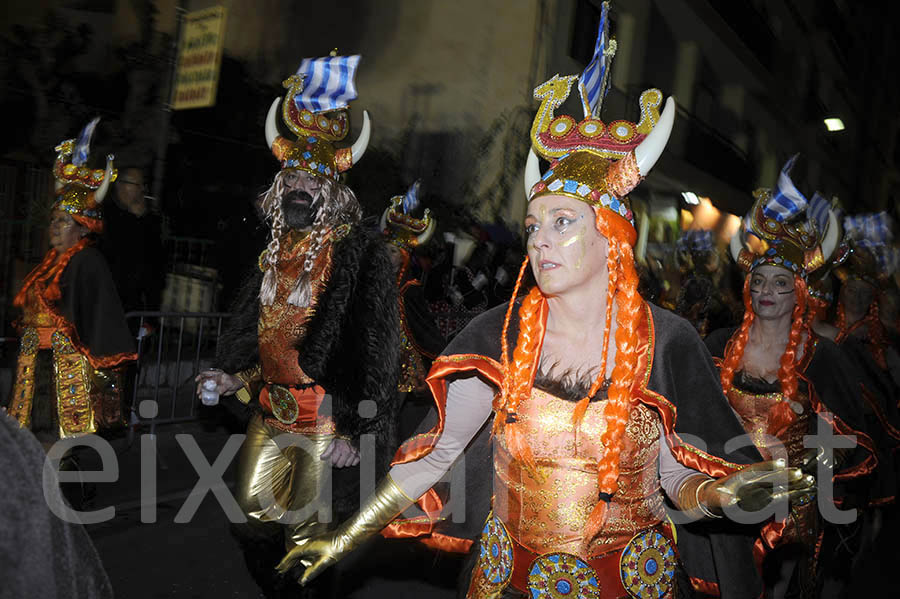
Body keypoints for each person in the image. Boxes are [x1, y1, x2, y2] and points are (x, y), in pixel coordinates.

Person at [276, 36, 814, 598]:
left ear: (612, 239)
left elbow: (674, 476)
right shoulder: (497, 335)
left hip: (630, 585)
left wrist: (721, 497)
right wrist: (343, 537)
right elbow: (433, 457)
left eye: (562, 222)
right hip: (506, 583)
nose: (540, 241)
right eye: (534, 226)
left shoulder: (666, 340)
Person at [194, 55, 401, 597]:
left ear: (332, 189)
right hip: (271, 409)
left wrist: (356, 428)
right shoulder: (272, 252)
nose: (301, 188)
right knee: (252, 519)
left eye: (313, 179)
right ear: (279, 187)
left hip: (326, 419)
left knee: (311, 534)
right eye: (293, 178)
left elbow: (375, 351)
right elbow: (255, 333)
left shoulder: (360, 256)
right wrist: (229, 375)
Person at [709, 160, 877, 598]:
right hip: (720, 496)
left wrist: (802, 477)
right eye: (759, 280)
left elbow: (850, 440)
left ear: (799, 292)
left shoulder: (822, 358)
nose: (766, 291)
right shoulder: (720, 344)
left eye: (780, 283)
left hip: (788, 516)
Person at [6, 119, 137, 447]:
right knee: (32, 437)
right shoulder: (48, 263)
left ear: (81, 227)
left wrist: (101, 366)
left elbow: (99, 316)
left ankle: (69, 490)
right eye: (53, 220)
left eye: (62, 221)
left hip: (69, 367)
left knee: (66, 441)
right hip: (36, 364)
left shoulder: (88, 261)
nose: (54, 226)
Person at [380, 180, 445, 396]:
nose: (388, 257)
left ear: (404, 260)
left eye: (394, 253)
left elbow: (423, 328)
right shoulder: (371, 281)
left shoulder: (410, 289)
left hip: (400, 361)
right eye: (386, 251)